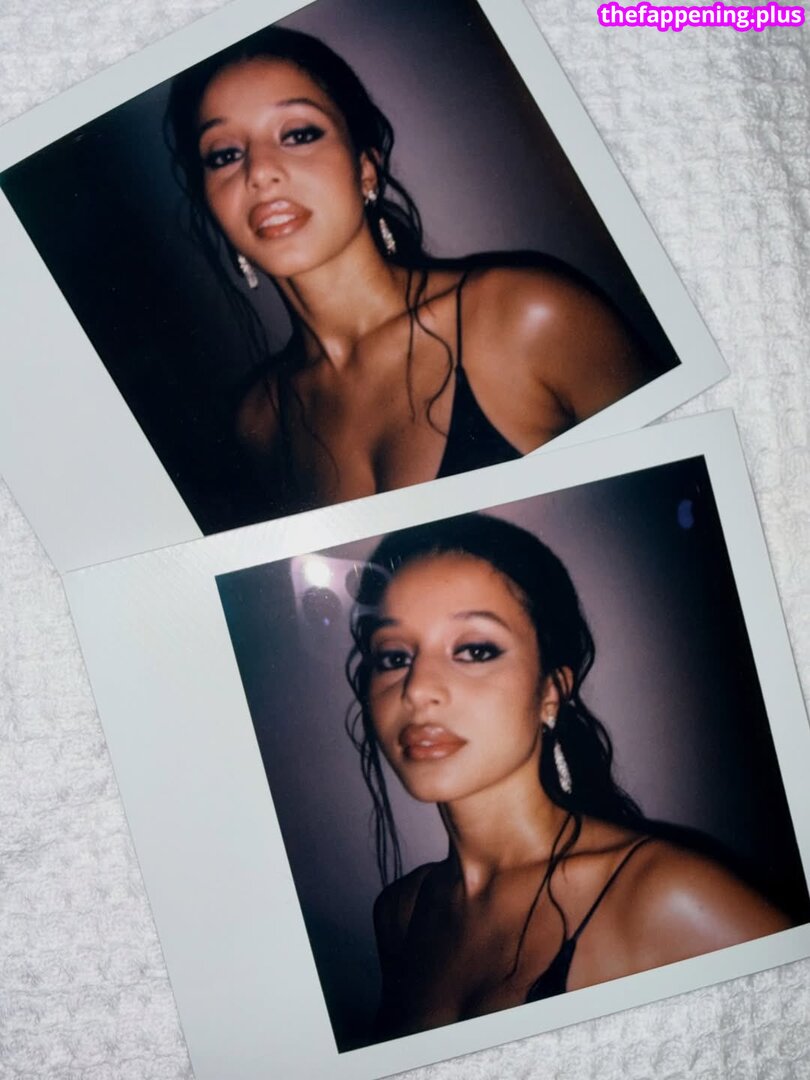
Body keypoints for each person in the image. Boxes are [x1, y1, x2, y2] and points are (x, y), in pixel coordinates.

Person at [166, 28, 668, 517]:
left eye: (298, 134)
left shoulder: (529, 318)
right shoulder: (258, 421)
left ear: (366, 169)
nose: (259, 171)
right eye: (224, 154)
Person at [345, 514, 790, 1038]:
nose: (418, 688)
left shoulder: (665, 898)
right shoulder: (400, 915)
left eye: (475, 650)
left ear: (551, 692)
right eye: (394, 656)